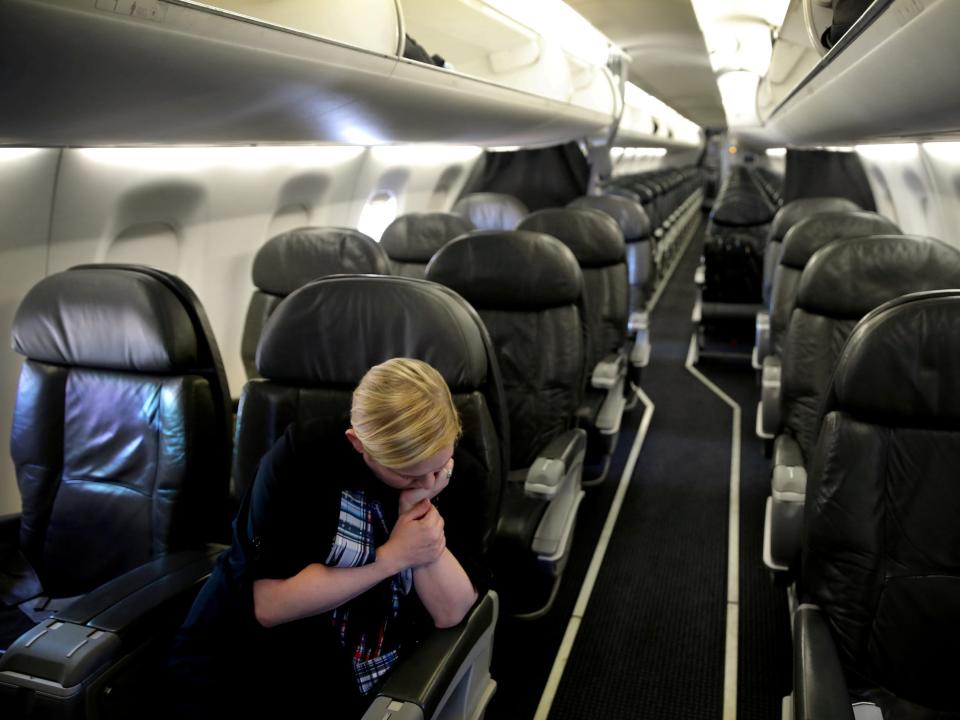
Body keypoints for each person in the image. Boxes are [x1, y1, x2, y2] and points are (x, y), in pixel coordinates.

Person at [167, 358, 486, 717]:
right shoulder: (301, 461)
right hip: (247, 660)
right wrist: (392, 558)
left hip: (360, 674)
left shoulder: (465, 475)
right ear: (358, 443)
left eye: (438, 467)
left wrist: (420, 514)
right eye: (407, 474)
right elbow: (269, 605)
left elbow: (451, 612)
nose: (429, 483)